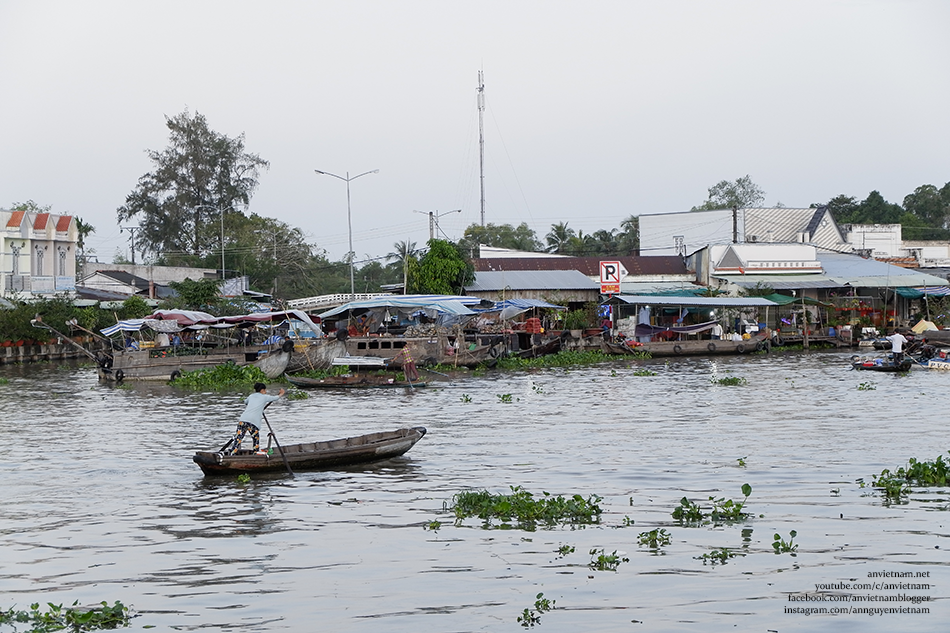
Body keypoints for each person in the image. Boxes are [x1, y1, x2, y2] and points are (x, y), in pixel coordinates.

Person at [227, 382, 285, 455]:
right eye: (265, 390)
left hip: (243, 420)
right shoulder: (264, 397)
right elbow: (275, 398)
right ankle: (255, 454)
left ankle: (232, 453)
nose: (266, 392)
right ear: (262, 390)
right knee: (255, 439)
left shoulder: (251, 396)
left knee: (238, 439)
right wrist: (281, 393)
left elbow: (246, 402)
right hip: (253, 422)